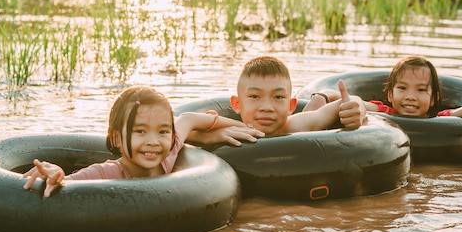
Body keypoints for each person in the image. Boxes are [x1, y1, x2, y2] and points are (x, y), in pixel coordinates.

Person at [23, 86, 262, 197]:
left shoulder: (168, 153)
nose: (153, 142)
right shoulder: (106, 172)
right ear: (117, 138)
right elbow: (67, 182)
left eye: (162, 132)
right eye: (140, 132)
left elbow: (188, 119)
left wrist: (243, 128)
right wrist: (54, 172)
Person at [188, 56, 367, 144]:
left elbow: (347, 103)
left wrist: (355, 108)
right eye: (255, 96)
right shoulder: (229, 129)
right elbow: (177, 132)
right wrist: (209, 136)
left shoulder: (297, 126)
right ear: (237, 104)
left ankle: (324, 95)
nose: (267, 107)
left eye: (278, 97)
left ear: (291, 106)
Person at [364, 56, 462, 118]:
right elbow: (355, 101)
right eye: (402, 88)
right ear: (390, 95)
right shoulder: (383, 112)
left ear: (434, 99)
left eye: (421, 90)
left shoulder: (441, 120)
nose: (410, 96)